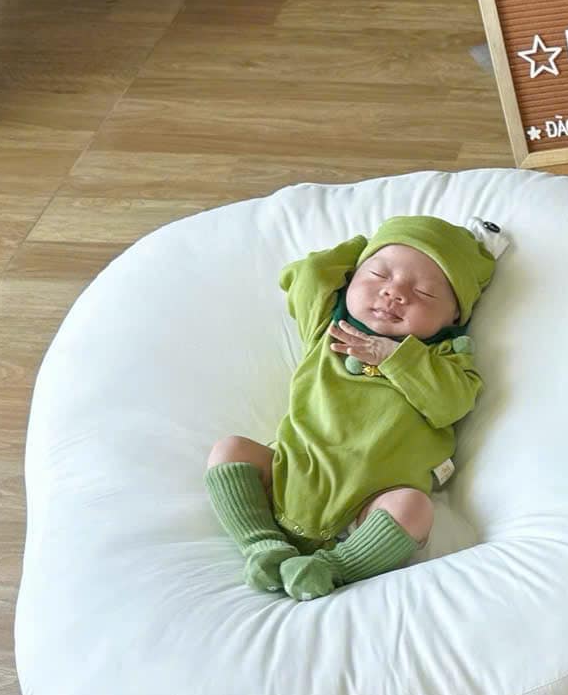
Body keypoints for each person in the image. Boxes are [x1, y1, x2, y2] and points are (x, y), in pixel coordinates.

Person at [204, 215, 501, 599]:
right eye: (378, 275)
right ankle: (260, 542)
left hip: (366, 512)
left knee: (413, 508)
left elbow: (452, 404)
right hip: (289, 475)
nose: (394, 293)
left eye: (424, 293)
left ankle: (334, 567)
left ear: (456, 315)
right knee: (230, 450)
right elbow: (309, 273)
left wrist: (394, 356)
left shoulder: (445, 358)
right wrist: (368, 246)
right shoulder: (328, 327)